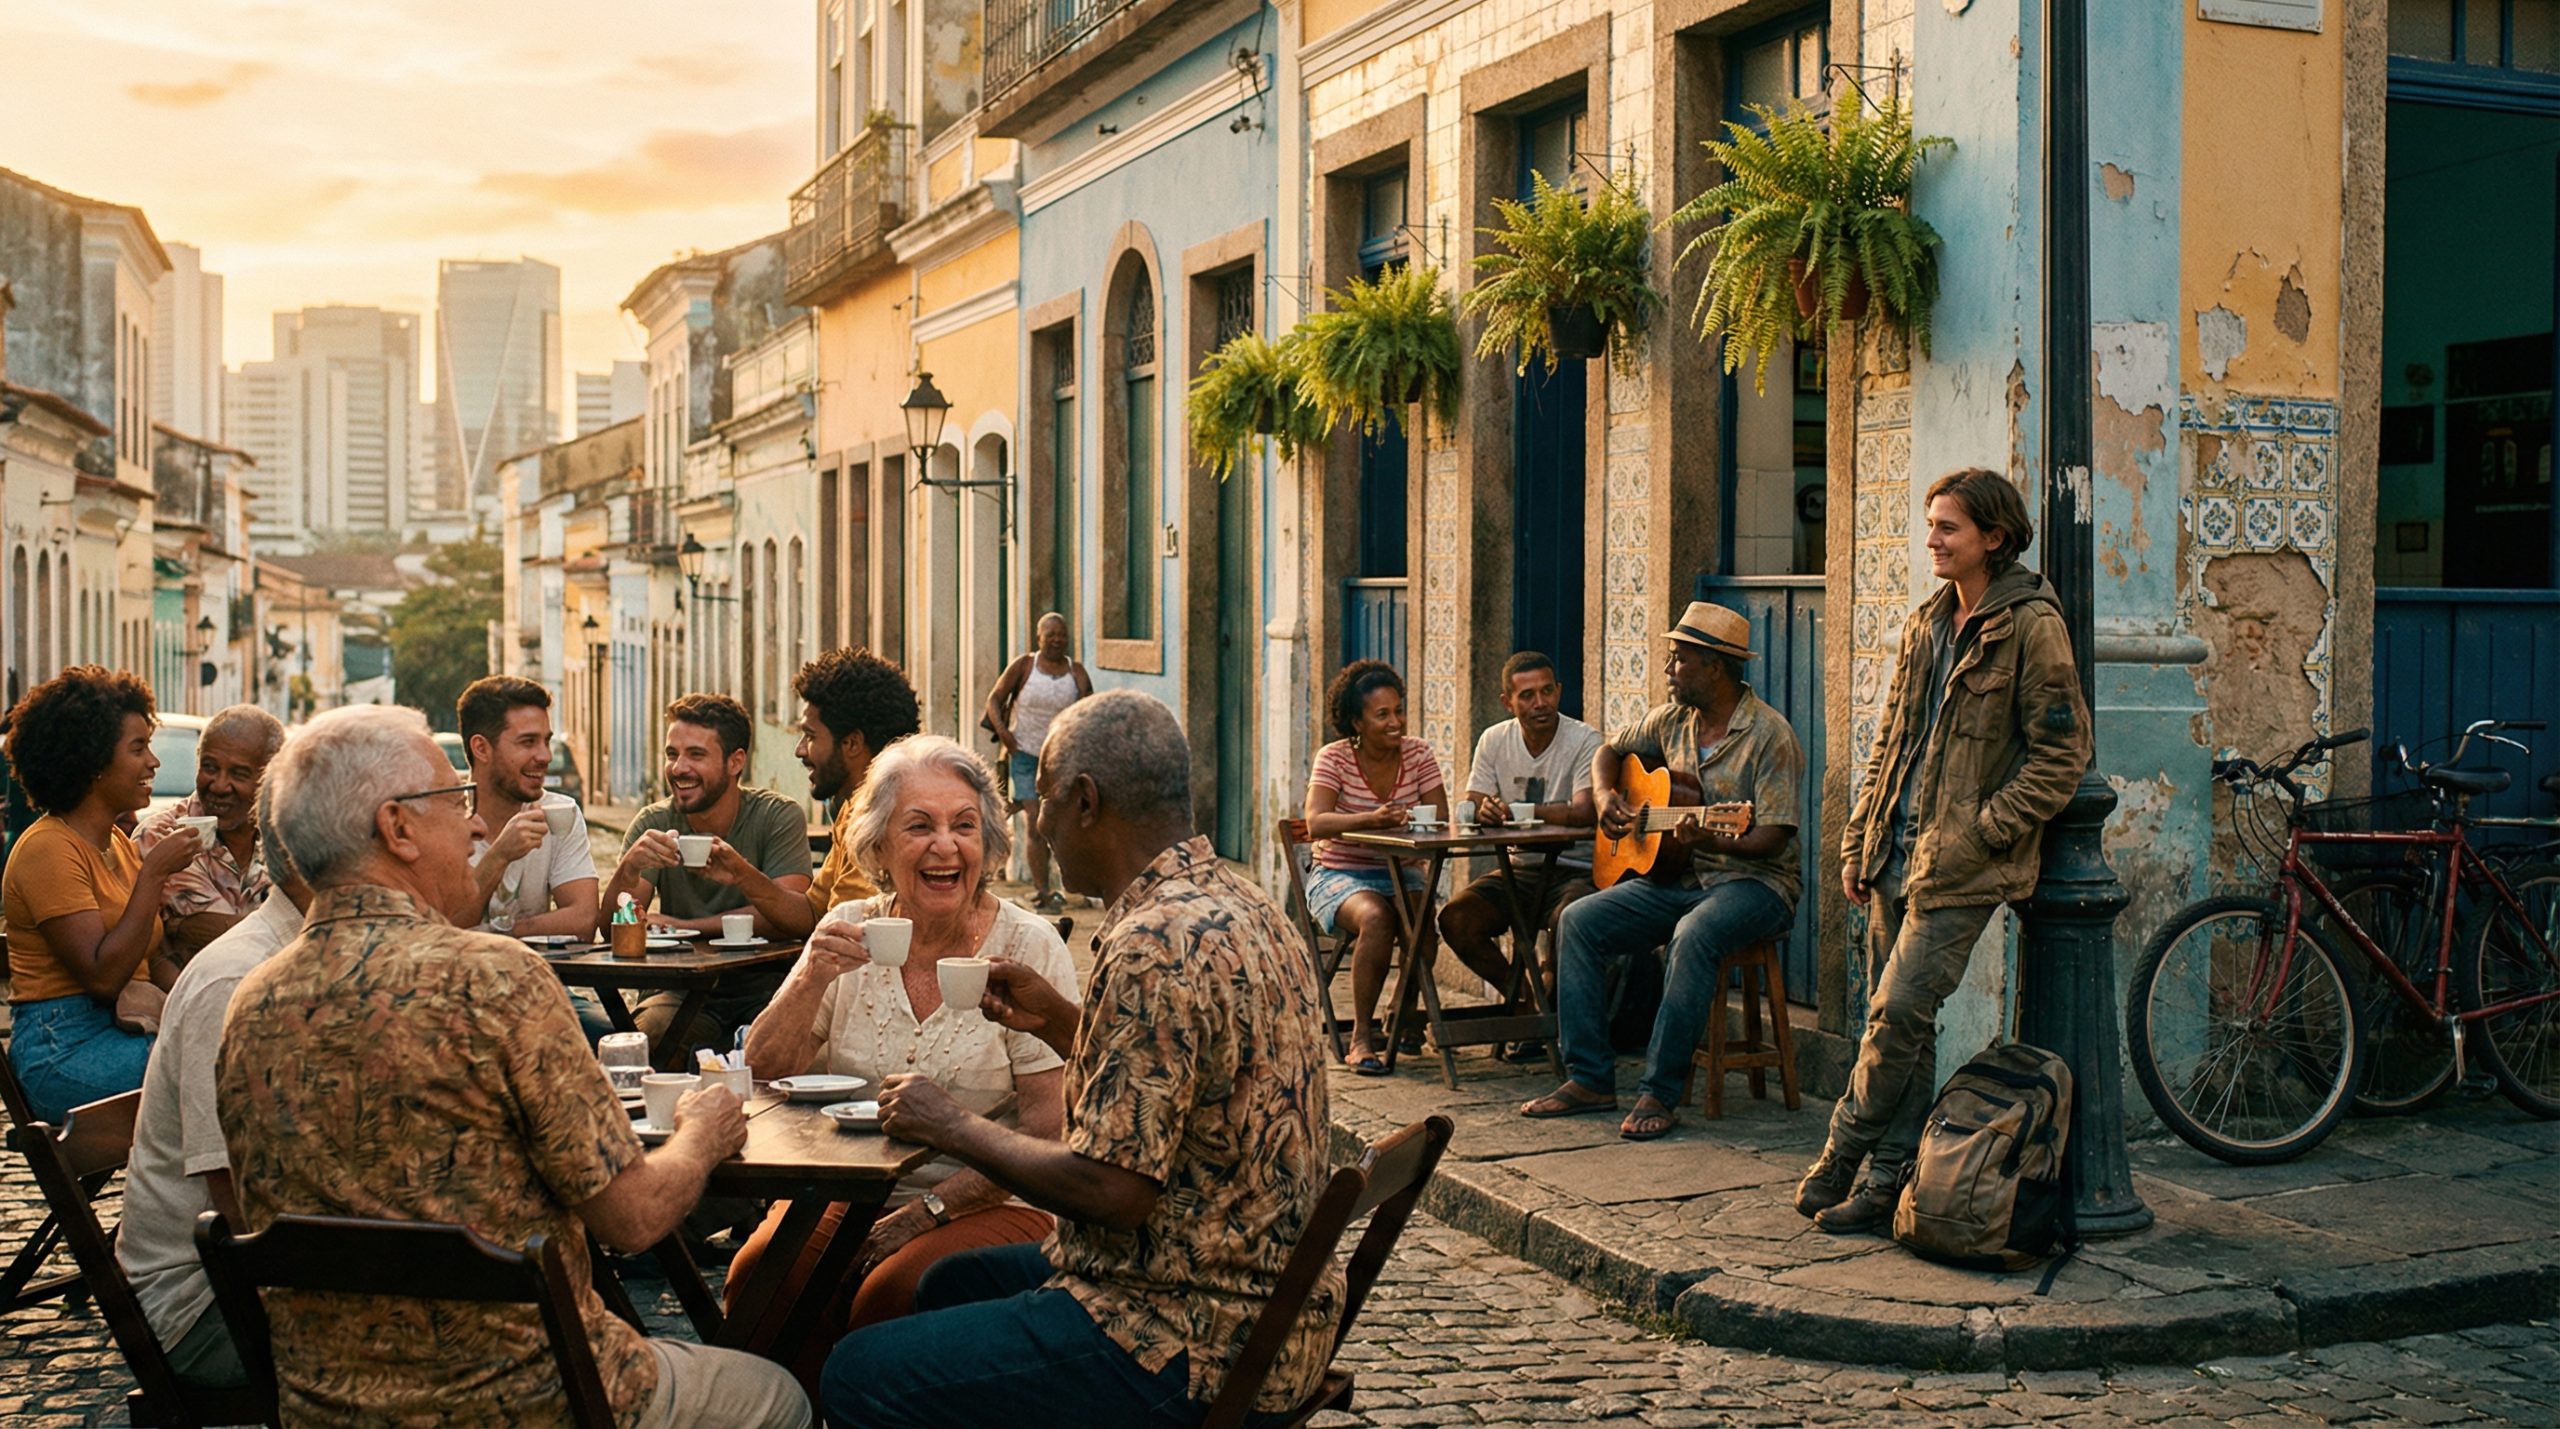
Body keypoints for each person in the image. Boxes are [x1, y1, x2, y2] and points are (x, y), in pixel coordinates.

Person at [214, 706, 807, 1427]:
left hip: (327, 1408)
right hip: (532, 1400)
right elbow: (634, 1218)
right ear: (396, 828)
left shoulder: (252, 1002)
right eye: (453, 802)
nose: (473, 825)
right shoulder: (494, 979)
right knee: (781, 1394)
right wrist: (703, 1129)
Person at [821, 690, 1338, 1428]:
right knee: (946, 1284)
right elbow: (1186, 1076)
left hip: (1183, 1328)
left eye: (1044, 801)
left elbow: (1112, 1192)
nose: (1038, 824)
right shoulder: (1244, 902)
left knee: (859, 1373)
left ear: (1086, 801)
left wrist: (951, 1125)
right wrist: (1069, 1022)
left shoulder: (1152, 943)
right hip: (1261, 1296)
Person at [1797, 468, 2091, 1234]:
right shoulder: (1927, 621)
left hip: (1961, 863)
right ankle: (1888, 1183)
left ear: (1993, 537)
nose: (1932, 539)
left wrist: (1984, 830)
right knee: (1905, 1023)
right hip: (1895, 849)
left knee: (1896, 1011)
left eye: (1948, 528)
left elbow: (2061, 757)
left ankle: (1841, 1152)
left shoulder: (2031, 624)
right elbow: (1893, 739)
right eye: (1931, 525)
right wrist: (1859, 837)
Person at [736, 735, 1073, 1392]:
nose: (944, 846)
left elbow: (1045, 1128)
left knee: (892, 1292)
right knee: (763, 1274)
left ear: (989, 845)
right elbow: (762, 1074)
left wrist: (927, 1213)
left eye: (963, 826)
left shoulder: (1026, 946)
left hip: (994, 1198)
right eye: (918, 826)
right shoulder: (848, 926)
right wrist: (808, 973)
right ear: (879, 847)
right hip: (845, 1192)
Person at [1520, 603, 1804, 1143]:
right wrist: (1606, 797)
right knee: (1578, 921)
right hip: (1678, 878)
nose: (1669, 671)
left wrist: (1717, 836)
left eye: (1679, 660)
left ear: (1715, 667)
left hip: (1756, 885)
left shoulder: (1771, 736)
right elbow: (1609, 751)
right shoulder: (1671, 720)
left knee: (1692, 935)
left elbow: (1772, 836)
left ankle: (1659, 1092)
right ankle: (1589, 1078)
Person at [116, 792, 309, 1390]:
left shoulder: (307, 957)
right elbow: (239, 1203)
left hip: (263, 1273)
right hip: (207, 1307)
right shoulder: (237, 980)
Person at [1, 667, 197, 1123]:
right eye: (137, 748)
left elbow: (156, 960)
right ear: (92, 762)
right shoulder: (47, 848)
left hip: (123, 1029)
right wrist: (154, 875)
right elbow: (103, 976)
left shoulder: (118, 847)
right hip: (63, 1053)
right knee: (213, 1070)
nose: (154, 762)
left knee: (232, 1045)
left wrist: (208, 1000)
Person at [602, 694, 816, 1046]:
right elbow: (614, 932)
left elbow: (789, 916)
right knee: (652, 1036)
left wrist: (685, 927)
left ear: (735, 762)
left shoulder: (776, 816)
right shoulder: (655, 822)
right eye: (672, 754)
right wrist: (628, 869)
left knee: (790, 1042)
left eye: (696, 755)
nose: (678, 768)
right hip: (677, 990)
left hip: (763, 989)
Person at [1437, 651, 1603, 1055]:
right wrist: (1483, 809)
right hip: (1520, 869)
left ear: (1560, 691)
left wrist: (1512, 812)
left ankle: (1554, 1019)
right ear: (1507, 702)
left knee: (1573, 920)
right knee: (1456, 919)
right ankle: (1529, 1002)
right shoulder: (1494, 739)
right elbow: (1473, 798)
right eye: (1527, 695)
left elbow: (1584, 810)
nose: (1540, 703)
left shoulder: (1585, 740)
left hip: (1575, 870)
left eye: (1547, 691)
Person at [1301, 659, 1448, 1076]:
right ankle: (1362, 1035)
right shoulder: (1334, 758)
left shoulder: (1418, 753)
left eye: (1398, 710)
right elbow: (1317, 822)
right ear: (1356, 721)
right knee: (1378, 917)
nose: (1395, 721)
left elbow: (1438, 813)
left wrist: (1415, 822)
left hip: (1400, 872)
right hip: (1338, 874)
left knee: (1422, 921)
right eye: (1382, 714)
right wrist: (1371, 820)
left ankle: (1400, 1013)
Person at [132, 703, 285, 961]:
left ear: (271, 777)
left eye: (238, 774)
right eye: (210, 768)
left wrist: (184, 929)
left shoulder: (287, 842)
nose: (220, 786)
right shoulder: (160, 837)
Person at [455, 676, 599, 938]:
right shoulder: (439, 821)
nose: (546, 756)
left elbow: (584, 919)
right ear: (481, 748)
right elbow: (441, 929)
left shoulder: (559, 813)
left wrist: (498, 932)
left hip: (539, 976)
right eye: (528, 742)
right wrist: (499, 856)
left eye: (546, 741)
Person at [797, 647, 923, 920]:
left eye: (810, 736)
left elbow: (848, 932)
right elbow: (812, 911)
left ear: (852, 743)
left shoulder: (886, 818)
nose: (800, 751)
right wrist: (738, 871)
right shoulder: (855, 807)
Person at [981, 611, 1092, 913]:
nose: (1057, 640)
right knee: (1035, 821)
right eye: (1050, 635)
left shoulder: (1077, 672)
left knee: (1063, 820)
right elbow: (994, 700)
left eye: (1062, 635)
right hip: (1025, 755)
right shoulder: (1024, 666)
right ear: (1039, 637)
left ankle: (1067, 885)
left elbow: (1089, 711)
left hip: (1061, 757)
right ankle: (1043, 891)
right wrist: (1006, 736)